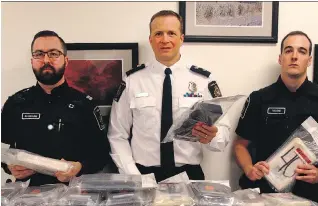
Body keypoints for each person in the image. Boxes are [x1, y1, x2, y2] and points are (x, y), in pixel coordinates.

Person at [108, 10, 230, 182]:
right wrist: (133, 176)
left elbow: (223, 132)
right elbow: (117, 135)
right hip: (143, 174)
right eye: (158, 33)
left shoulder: (203, 81)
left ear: (181, 38)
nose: (165, 40)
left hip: (189, 176)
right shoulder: (132, 80)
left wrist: (213, 136)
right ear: (150, 39)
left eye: (171, 33)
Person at [234, 31, 318, 206]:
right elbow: (240, 146)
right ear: (280, 58)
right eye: (289, 50)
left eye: (302, 51)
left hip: (309, 200)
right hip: (264, 198)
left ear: (309, 60)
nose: (295, 56)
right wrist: (249, 168)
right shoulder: (259, 99)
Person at [1, 30, 115, 186]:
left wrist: (80, 167)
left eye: (54, 53)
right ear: (32, 60)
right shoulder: (15, 103)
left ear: (66, 60)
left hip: (74, 196)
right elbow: (3, 148)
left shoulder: (85, 104)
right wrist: (9, 167)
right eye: (39, 54)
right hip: (27, 196)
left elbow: (102, 153)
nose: (46, 60)